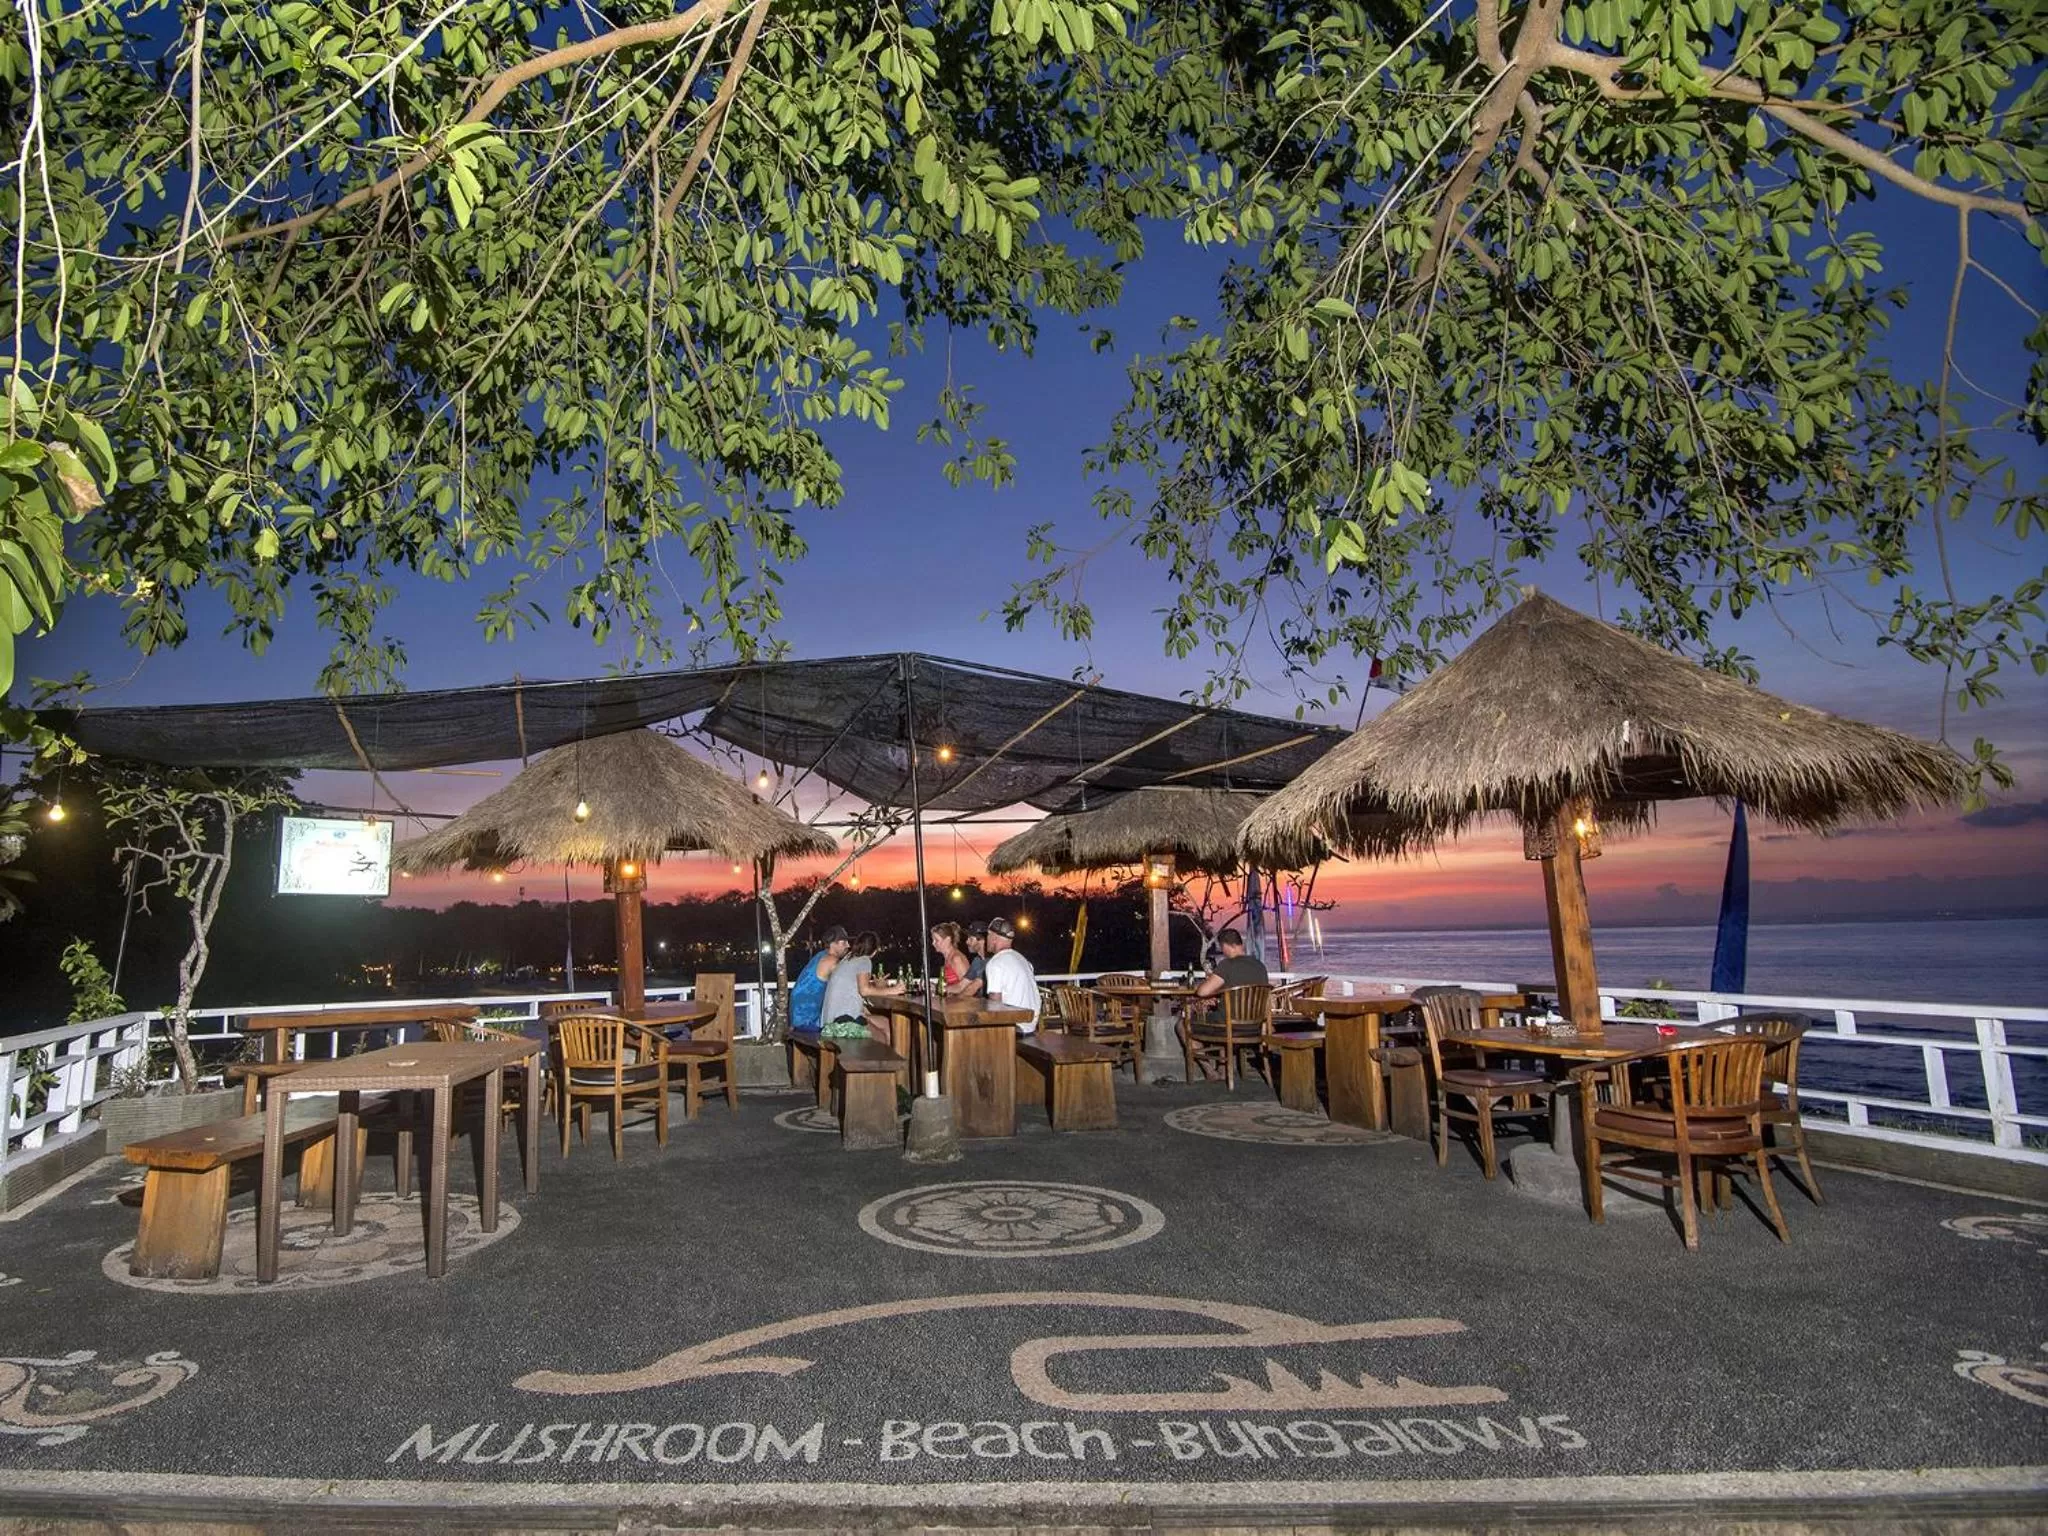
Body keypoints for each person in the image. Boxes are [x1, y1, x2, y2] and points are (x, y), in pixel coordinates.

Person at [821, 930, 903, 1031]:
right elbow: (864, 990)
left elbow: (855, 986)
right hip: (841, 1024)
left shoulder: (848, 959)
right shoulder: (864, 960)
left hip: (829, 1021)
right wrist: (894, 990)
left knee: (886, 1024)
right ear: (875, 951)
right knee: (885, 1035)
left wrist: (876, 986)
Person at [979, 915, 1040, 1033]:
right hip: (1031, 1025)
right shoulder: (1022, 959)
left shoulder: (996, 963)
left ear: (994, 938)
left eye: (988, 935)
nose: (987, 939)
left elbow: (995, 1004)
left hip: (1016, 1026)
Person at [789, 926, 850, 1034]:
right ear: (833, 944)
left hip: (797, 1018)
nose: (848, 945)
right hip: (808, 1021)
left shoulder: (820, 956)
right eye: (844, 942)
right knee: (855, 1030)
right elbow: (847, 986)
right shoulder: (832, 961)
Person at [1194, 927, 1268, 1001]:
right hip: (1256, 1012)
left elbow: (1202, 992)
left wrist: (1213, 984)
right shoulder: (1260, 966)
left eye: (1222, 947)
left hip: (1231, 1012)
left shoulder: (1227, 965)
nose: (1222, 951)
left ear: (1230, 946)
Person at [950, 921, 988, 998]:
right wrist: (939, 989)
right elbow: (961, 986)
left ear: (981, 940)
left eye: (970, 939)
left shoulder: (991, 961)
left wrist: (953, 1003)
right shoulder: (977, 961)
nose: (967, 942)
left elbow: (972, 988)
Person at [930, 921, 970, 988]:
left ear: (948, 940)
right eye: (933, 940)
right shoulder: (948, 957)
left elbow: (967, 986)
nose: (933, 943)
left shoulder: (956, 959)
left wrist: (940, 989)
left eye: (936, 940)